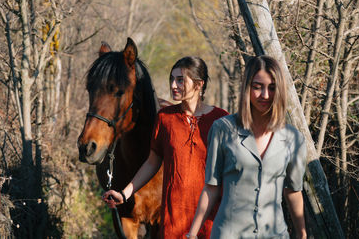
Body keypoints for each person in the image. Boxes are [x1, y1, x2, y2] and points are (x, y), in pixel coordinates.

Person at [102, 56, 228, 238]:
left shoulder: (221, 119)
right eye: (172, 79)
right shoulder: (165, 118)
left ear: (199, 85)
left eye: (180, 80)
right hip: (174, 220)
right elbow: (152, 162)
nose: (174, 85)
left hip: (211, 218)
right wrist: (125, 193)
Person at [188, 55, 307, 239]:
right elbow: (211, 187)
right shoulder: (222, 129)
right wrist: (192, 234)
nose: (265, 95)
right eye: (257, 87)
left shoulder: (293, 138)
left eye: (272, 88)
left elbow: (293, 191)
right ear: (247, 88)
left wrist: (301, 234)